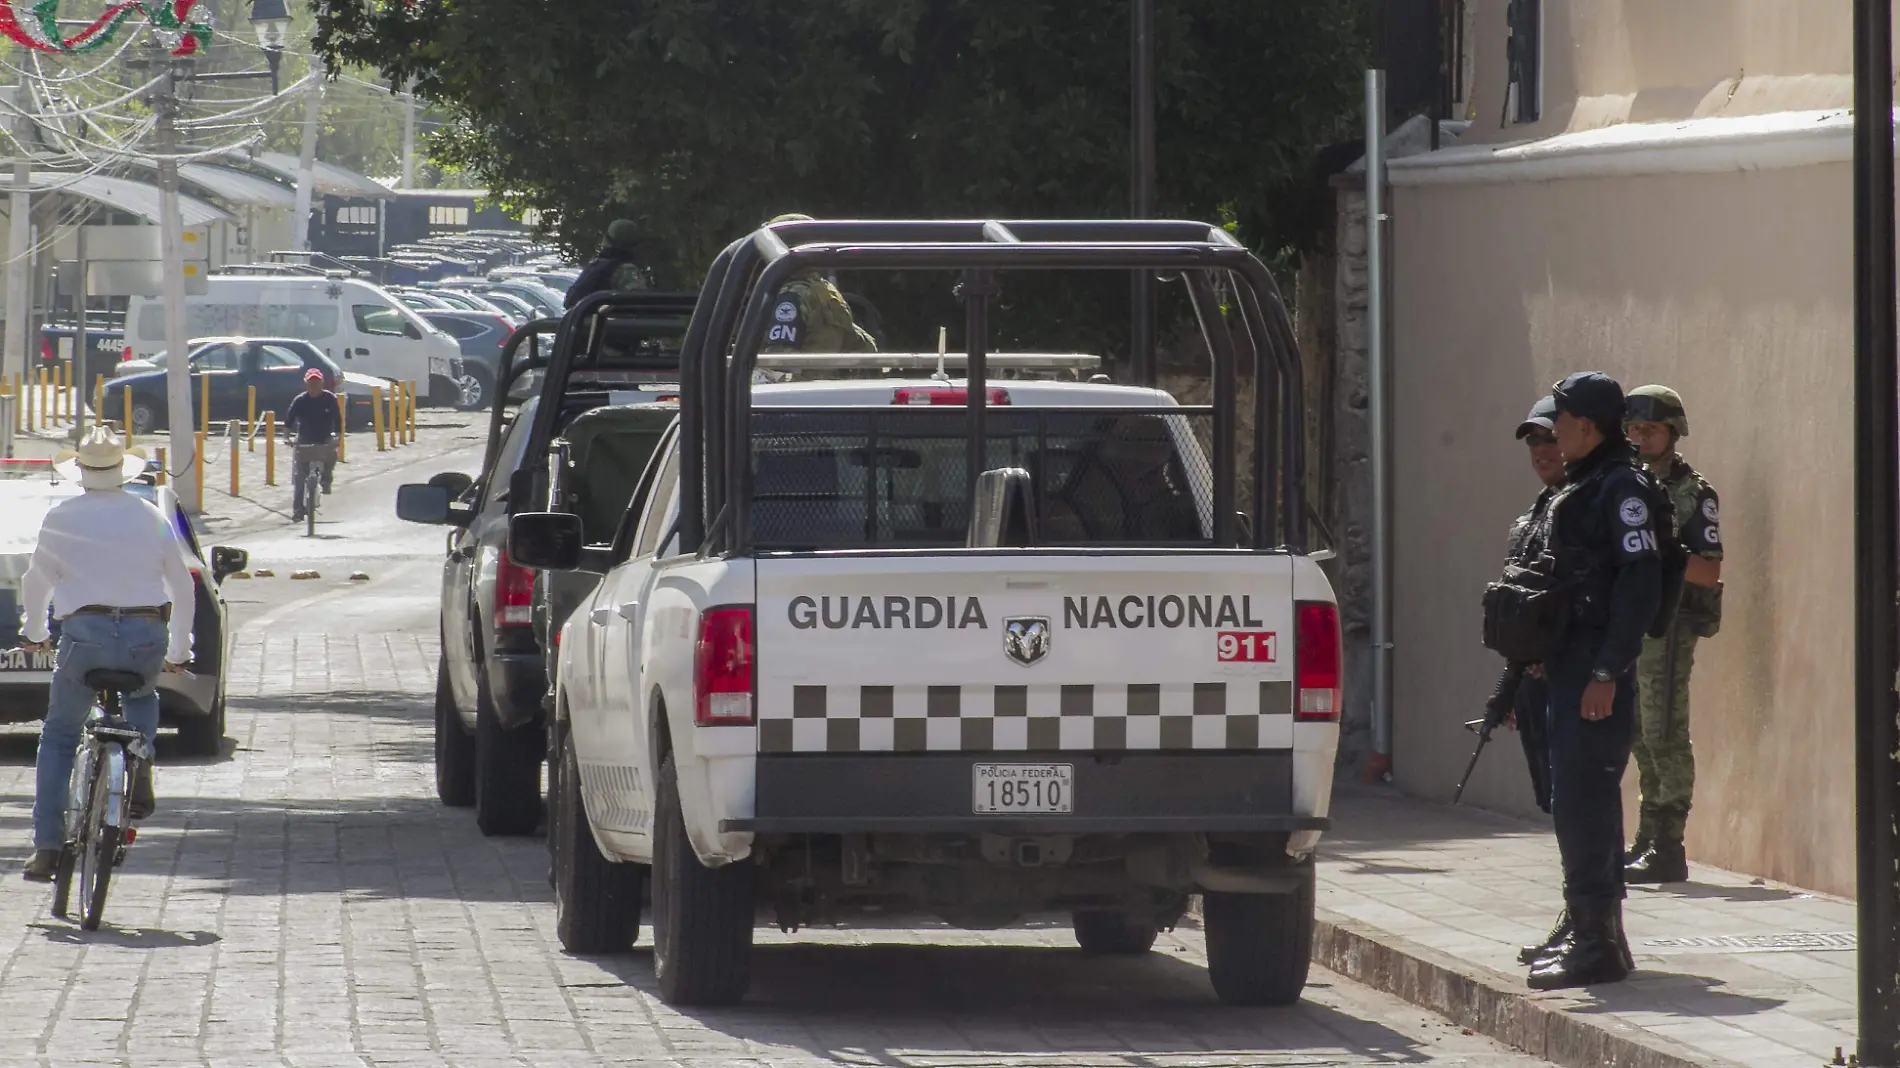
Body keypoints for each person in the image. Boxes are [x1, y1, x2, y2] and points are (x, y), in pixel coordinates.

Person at [1520, 371, 1660, 990]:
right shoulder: (1583, 484)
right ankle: (1593, 930)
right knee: (1579, 804)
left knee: (1585, 804)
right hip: (1568, 666)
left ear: (1590, 425)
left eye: (1565, 418)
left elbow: (1639, 586)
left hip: (1593, 671)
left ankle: (1596, 943)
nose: (1556, 429)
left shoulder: (1621, 488)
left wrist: (1607, 670)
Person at [18, 426, 195, 881]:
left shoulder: (63, 517)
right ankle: (139, 761)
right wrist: (179, 649)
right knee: (142, 699)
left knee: (59, 735)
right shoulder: (149, 515)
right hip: (144, 635)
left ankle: (47, 848)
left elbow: (36, 582)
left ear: (80, 472)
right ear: (122, 472)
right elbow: (181, 585)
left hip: (84, 635)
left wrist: (34, 632)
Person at [1621, 385, 1722, 884]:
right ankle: (1647, 834)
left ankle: (1669, 843)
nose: (1641, 438)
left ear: (1673, 433)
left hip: (1670, 627)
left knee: (1664, 731)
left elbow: (1707, 570)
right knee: (1639, 733)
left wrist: (1664, 553)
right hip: (1633, 625)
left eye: (1652, 429)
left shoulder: (1692, 493)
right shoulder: (1625, 485)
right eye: (1635, 429)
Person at [1490, 395, 1565, 819]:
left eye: (1551, 438)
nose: (1541, 449)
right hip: (1535, 677)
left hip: (1574, 674)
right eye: (1533, 440)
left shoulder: (1587, 509)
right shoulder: (1531, 519)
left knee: (1578, 793)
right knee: (1550, 794)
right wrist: (1513, 685)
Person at [762, 212, 877, 354]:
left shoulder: (790, 297)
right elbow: (865, 347)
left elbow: (777, 364)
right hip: (823, 375)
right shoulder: (826, 292)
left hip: (798, 376)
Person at [284, 368, 340, 522]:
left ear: (321, 383)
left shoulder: (329, 398)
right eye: (311, 383)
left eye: (316, 383)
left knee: (333, 454)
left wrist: (339, 437)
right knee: (300, 477)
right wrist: (287, 437)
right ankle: (297, 510)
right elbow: (289, 421)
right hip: (304, 439)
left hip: (324, 438)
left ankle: (326, 480)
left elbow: (338, 420)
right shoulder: (300, 400)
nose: (314, 386)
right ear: (306, 384)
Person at [564, 219, 649, 309]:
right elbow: (641, 304)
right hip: (611, 322)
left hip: (591, 321)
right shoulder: (626, 269)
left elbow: (570, 301)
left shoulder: (596, 266)